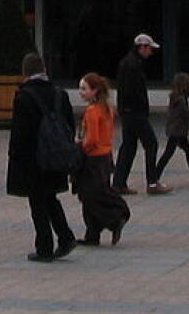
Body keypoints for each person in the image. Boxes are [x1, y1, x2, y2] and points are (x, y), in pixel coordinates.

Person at [6, 52, 76, 263]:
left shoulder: (24, 97)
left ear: (25, 72)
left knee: (37, 200)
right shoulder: (59, 94)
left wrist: (14, 156)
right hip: (56, 155)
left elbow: (20, 133)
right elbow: (69, 125)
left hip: (34, 158)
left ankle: (45, 246)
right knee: (50, 197)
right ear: (44, 69)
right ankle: (65, 237)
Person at [72, 72, 129, 247]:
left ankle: (115, 218)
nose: (80, 92)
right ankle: (93, 233)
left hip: (93, 159)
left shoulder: (92, 111)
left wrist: (80, 147)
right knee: (96, 192)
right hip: (105, 156)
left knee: (90, 195)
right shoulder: (106, 109)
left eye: (84, 89)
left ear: (94, 91)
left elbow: (92, 139)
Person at [113, 33, 171, 195]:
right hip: (134, 112)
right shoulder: (133, 65)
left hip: (128, 111)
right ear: (141, 48)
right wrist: (139, 110)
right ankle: (152, 182)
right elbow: (133, 91)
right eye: (149, 49)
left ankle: (119, 182)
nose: (151, 52)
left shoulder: (129, 63)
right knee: (150, 143)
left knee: (128, 146)